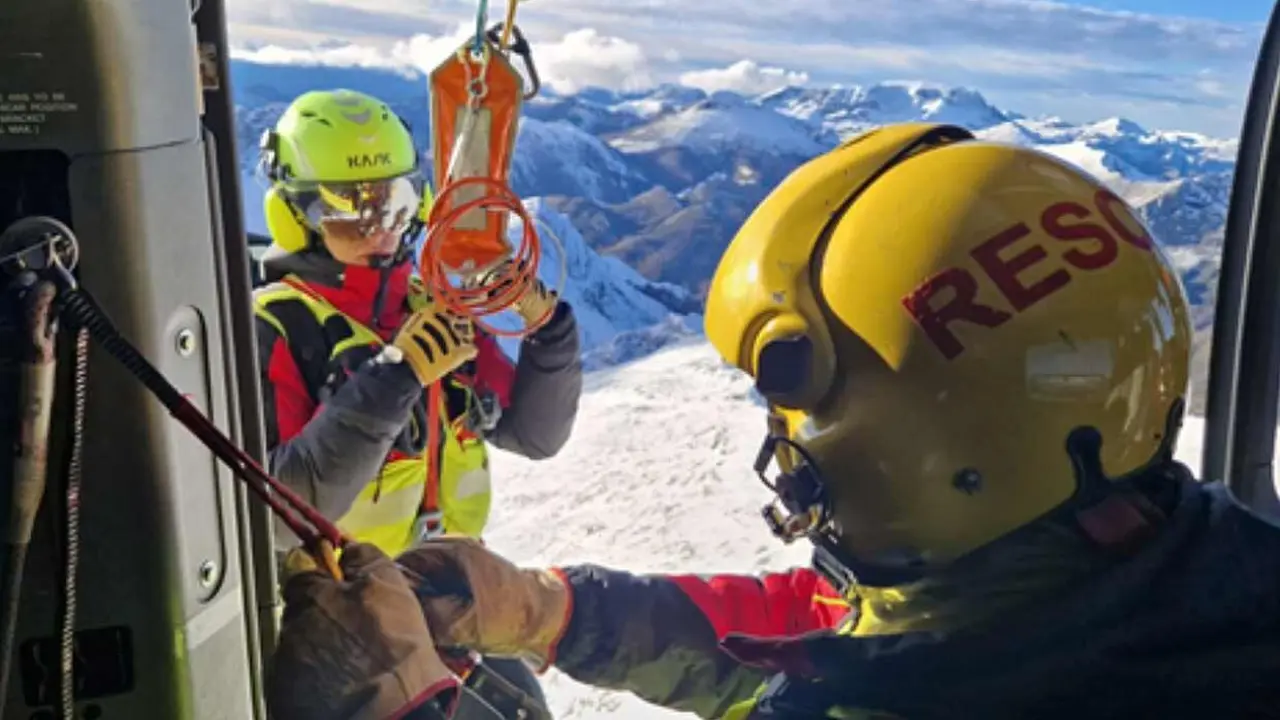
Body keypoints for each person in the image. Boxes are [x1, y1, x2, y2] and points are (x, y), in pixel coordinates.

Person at [266, 121, 1280, 718]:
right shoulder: (1204, 566)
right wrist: (547, 610)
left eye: (793, 400)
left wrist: (398, 703)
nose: (782, 435)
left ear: (926, 440)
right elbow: (831, 632)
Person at [253, 88, 581, 713]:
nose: (381, 230)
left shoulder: (432, 309)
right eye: (350, 213)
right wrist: (395, 376)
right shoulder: (277, 327)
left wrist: (551, 336)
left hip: (447, 609)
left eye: (395, 204)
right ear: (296, 217)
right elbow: (278, 511)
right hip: (348, 636)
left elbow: (535, 436)